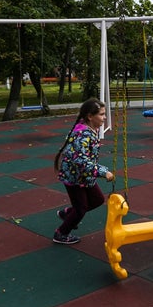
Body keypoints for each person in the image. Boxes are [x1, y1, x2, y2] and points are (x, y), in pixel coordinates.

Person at [53, 98, 114, 244]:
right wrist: (103, 171)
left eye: (104, 114)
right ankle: (60, 234)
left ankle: (67, 213)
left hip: (84, 176)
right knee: (80, 209)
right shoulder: (83, 135)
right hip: (74, 177)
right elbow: (80, 161)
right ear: (90, 116)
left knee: (98, 199)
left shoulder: (90, 129)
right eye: (101, 114)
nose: (104, 118)